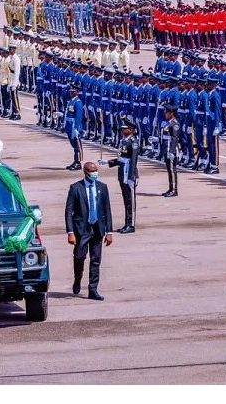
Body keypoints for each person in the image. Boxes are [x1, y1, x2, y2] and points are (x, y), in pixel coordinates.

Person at [64, 161, 113, 301]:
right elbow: (69, 211)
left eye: (96, 171)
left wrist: (109, 232)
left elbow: (107, 210)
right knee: (79, 256)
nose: (95, 173)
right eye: (92, 171)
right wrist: (70, 232)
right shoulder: (76, 188)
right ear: (85, 172)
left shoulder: (102, 188)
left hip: (97, 228)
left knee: (96, 260)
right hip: (82, 229)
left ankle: (93, 289)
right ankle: (77, 279)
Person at [104, 120, 140, 234]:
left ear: (131, 130)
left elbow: (133, 161)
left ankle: (131, 224)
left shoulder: (133, 142)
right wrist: (108, 162)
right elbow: (120, 159)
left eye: (125, 129)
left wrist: (131, 177)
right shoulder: (123, 141)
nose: (123, 130)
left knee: (131, 201)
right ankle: (127, 223)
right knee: (126, 200)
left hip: (129, 174)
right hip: (122, 173)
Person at [65, 84, 85, 171]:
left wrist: (76, 128)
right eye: (70, 91)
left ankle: (78, 162)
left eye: (73, 92)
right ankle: (75, 161)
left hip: (74, 126)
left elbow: (79, 116)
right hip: (69, 125)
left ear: (77, 92)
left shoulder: (78, 102)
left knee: (77, 145)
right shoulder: (71, 101)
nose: (71, 93)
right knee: (73, 144)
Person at [161, 104, 180, 197]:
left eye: (167, 112)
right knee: (169, 170)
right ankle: (170, 188)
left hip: (171, 150)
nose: (165, 113)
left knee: (172, 170)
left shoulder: (175, 124)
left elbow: (174, 138)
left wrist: (171, 151)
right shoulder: (168, 122)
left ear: (171, 113)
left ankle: (174, 190)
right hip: (166, 148)